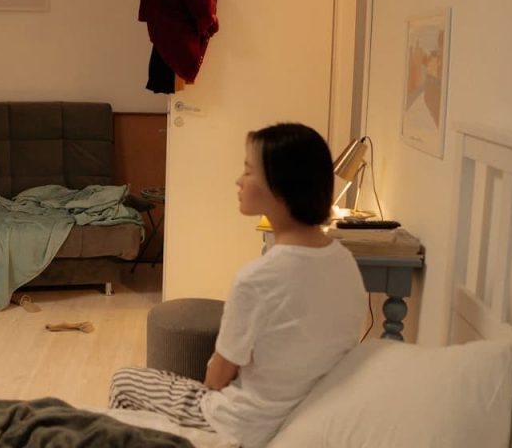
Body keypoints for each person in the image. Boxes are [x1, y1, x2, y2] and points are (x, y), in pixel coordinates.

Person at [109, 123, 367, 447]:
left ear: (279, 188)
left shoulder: (258, 278)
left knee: (124, 381)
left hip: (241, 423)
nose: (238, 180)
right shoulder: (344, 262)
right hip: (303, 410)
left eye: (247, 170)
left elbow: (216, 380)